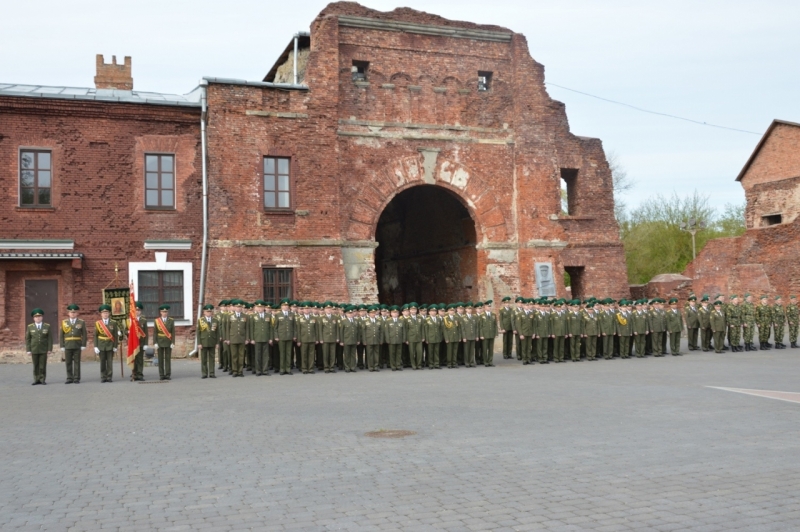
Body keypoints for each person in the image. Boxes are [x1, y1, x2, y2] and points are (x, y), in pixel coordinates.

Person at [60, 303, 87, 384]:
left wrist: (83, 344)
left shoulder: (81, 322)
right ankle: (69, 378)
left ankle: (76, 378)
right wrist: (62, 345)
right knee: (68, 362)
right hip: (67, 344)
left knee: (77, 362)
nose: (73, 314)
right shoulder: (64, 322)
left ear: (77, 313)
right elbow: (61, 335)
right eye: (71, 312)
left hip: (77, 344)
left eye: (74, 312)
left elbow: (84, 334)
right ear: (68, 313)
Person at [26, 308, 53, 385]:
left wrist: (49, 349)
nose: (38, 318)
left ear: (42, 317)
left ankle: (42, 379)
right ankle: (36, 379)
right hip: (34, 349)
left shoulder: (47, 326)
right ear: (33, 318)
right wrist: (28, 350)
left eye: (39, 316)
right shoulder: (30, 327)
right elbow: (28, 339)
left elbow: (50, 338)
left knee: (43, 365)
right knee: (36, 365)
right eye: (36, 317)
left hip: (43, 349)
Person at [94, 304, 120, 383]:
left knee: (109, 362)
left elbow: (115, 335)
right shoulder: (98, 323)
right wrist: (95, 346)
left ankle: (109, 377)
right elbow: (95, 335)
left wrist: (115, 346)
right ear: (101, 314)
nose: (105, 314)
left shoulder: (113, 323)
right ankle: (103, 377)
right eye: (103, 313)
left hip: (110, 344)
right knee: (102, 362)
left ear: (109, 313)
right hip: (101, 344)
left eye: (106, 313)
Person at [249, 300, 273, 376]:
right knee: (257, 355)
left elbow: (271, 328)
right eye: (258, 307)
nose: (259, 309)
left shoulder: (268, 316)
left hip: (266, 338)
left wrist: (270, 338)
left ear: (264, 308)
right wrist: (252, 339)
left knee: (266, 355)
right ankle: (258, 370)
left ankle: (265, 370)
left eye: (261, 307)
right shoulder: (253, 316)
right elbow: (251, 328)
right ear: (256, 308)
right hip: (257, 338)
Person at [153, 304, 176, 380]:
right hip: (160, 341)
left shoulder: (171, 320)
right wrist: (155, 342)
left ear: (167, 312)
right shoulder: (157, 321)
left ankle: (168, 374)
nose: (164, 313)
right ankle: (161, 375)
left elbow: (173, 332)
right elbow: (155, 332)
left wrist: (173, 342)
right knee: (160, 359)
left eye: (166, 312)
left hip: (168, 341)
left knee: (167, 358)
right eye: (163, 312)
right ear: (160, 312)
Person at [274, 298, 296, 375]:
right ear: (281, 307)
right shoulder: (278, 315)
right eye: (284, 305)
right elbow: (275, 327)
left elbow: (294, 326)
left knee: (289, 353)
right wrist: (276, 336)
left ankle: (288, 368)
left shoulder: (292, 315)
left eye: (287, 305)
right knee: (282, 353)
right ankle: (282, 369)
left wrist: (294, 335)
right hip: (281, 336)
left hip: (289, 336)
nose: (286, 307)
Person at [296, 302, 318, 374]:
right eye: (305, 309)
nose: (307, 310)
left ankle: (311, 368)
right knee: (304, 354)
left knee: (311, 354)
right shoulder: (300, 318)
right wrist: (298, 340)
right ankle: (304, 368)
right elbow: (298, 330)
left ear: (310, 309)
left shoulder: (313, 318)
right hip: (303, 339)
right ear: (303, 310)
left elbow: (316, 330)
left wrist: (316, 339)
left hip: (312, 339)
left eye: (308, 309)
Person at [198, 304, 219, 378]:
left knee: (212, 358)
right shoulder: (201, 320)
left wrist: (217, 343)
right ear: (204, 312)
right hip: (204, 342)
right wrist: (199, 343)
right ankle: (204, 373)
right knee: (204, 359)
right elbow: (198, 333)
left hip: (212, 341)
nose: (209, 313)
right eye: (207, 311)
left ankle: (212, 373)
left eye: (210, 312)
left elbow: (217, 332)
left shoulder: (215, 320)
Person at [318, 302, 339, 373]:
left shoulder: (335, 317)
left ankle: (332, 367)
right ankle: (326, 367)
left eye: (330, 308)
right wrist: (321, 338)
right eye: (327, 308)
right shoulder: (322, 318)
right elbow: (320, 329)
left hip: (333, 338)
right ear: (324, 310)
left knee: (332, 353)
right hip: (325, 338)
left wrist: (337, 337)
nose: (329, 310)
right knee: (325, 353)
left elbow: (337, 329)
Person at [130, 302, 149, 381]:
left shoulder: (143, 320)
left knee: (140, 359)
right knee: (134, 359)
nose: (137, 312)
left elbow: (146, 333)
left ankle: (140, 374)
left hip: (141, 343)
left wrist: (146, 344)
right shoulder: (130, 320)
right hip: (133, 343)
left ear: (141, 311)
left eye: (139, 310)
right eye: (136, 310)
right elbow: (126, 330)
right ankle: (134, 374)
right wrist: (126, 332)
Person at [339, 305, 360, 372]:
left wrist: (358, 340)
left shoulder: (356, 321)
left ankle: (353, 367)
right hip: (346, 340)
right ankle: (347, 367)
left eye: (351, 313)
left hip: (354, 340)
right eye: (349, 313)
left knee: (353, 354)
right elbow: (341, 332)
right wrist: (341, 341)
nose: (350, 315)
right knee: (347, 354)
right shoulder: (343, 321)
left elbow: (358, 331)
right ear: (346, 314)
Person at [362, 306, 383, 371]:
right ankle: (370, 366)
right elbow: (363, 332)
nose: (373, 314)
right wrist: (364, 341)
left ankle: (376, 366)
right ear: (368, 314)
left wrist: (381, 340)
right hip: (369, 340)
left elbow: (381, 332)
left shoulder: (379, 321)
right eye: (371, 313)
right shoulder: (365, 321)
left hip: (376, 340)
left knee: (376, 353)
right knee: (369, 354)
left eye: (374, 313)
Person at [405, 303, 425, 370]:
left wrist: (423, 337)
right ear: (409, 310)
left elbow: (422, 328)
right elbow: (406, 330)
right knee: (412, 352)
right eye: (412, 310)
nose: (413, 311)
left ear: (416, 310)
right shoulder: (407, 319)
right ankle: (413, 365)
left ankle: (419, 365)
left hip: (419, 338)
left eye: (414, 309)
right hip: (411, 338)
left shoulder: (420, 318)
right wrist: (406, 339)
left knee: (419, 352)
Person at [479, 300, 498, 367]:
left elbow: (495, 325)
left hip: (491, 334)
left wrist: (496, 333)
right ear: (485, 307)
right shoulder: (482, 315)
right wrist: (481, 335)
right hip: (485, 334)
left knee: (491, 349)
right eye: (488, 306)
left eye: (490, 306)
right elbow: (480, 326)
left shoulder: (493, 315)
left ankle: (490, 361)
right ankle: (485, 361)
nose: (489, 307)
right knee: (484, 349)